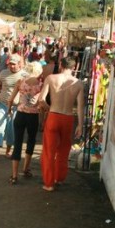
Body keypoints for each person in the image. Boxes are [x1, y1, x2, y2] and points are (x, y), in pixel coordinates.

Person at [38, 56, 84, 191]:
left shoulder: (51, 78)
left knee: (49, 151)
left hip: (54, 115)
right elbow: (80, 107)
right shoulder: (78, 83)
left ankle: (48, 184)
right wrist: (80, 125)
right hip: (68, 118)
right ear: (74, 67)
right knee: (64, 150)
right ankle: (59, 178)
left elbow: (41, 99)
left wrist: (49, 109)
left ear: (60, 65)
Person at [7, 61, 43, 185]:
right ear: (38, 71)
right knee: (31, 141)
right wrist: (42, 118)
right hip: (33, 116)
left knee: (17, 143)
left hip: (20, 114)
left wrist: (9, 110)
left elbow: (10, 99)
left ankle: (14, 175)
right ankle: (26, 168)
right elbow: (41, 102)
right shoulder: (41, 85)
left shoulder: (20, 82)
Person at [0, 54, 25, 159]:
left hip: (16, 107)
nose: (11, 66)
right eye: (10, 64)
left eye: (14, 64)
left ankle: (8, 151)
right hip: (2, 104)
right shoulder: (3, 73)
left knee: (12, 129)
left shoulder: (24, 75)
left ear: (19, 64)